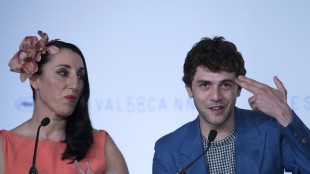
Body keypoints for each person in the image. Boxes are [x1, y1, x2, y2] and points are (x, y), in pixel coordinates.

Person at [152, 36, 310, 173]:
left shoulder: (271, 129)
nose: (216, 96)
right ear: (189, 90)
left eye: (225, 84)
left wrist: (285, 114)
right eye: (205, 85)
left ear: (239, 89)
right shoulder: (167, 150)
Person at [0, 31, 129, 174]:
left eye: (80, 76)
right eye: (62, 73)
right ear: (35, 79)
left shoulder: (103, 147)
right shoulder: (5, 147)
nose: (75, 84)